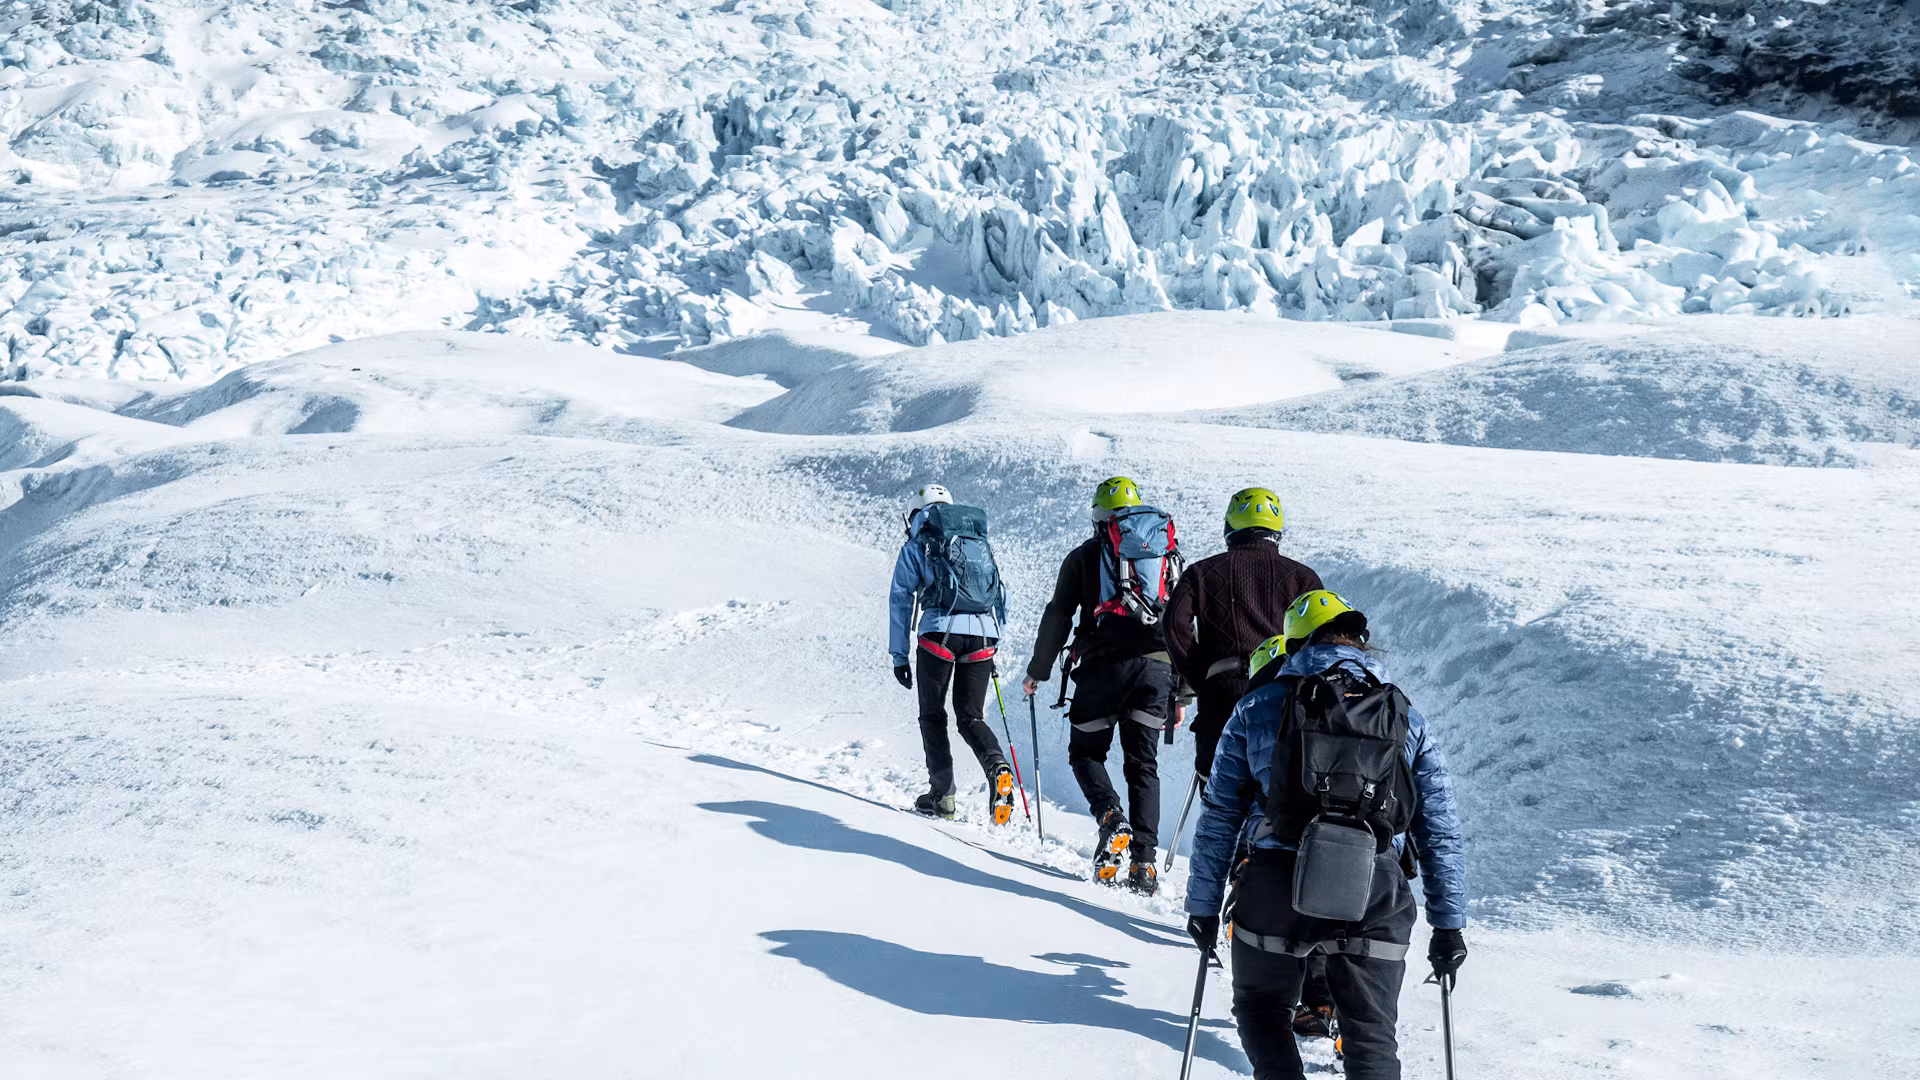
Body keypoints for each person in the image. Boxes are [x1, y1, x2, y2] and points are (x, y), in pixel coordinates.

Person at [1182, 591, 1468, 1080]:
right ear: (1359, 644)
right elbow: (1439, 828)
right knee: (1371, 1034)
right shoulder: (1405, 717)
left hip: (1273, 886)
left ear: (1294, 647)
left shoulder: (1255, 708)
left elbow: (1219, 818)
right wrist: (1448, 924)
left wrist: (1203, 907)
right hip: (1374, 891)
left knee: (1261, 1010)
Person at [1021, 476, 1187, 895]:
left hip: (1102, 667)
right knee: (1142, 765)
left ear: (1099, 519)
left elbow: (1059, 615)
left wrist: (1038, 671)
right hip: (1157, 670)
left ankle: (1111, 816)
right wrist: (1181, 691)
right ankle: (1144, 866)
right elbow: (1182, 623)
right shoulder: (1164, 557)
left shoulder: (1084, 556)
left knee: (1086, 751)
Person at [1164, 486, 1322, 779]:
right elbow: (1321, 639)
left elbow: (1174, 625)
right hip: (1284, 699)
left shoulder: (1200, 573)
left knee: (1219, 797)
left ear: (1229, 527)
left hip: (1221, 696)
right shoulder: (1303, 578)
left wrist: (1202, 677)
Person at [888, 484, 1015, 822]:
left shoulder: (918, 544)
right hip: (983, 636)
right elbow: (999, 593)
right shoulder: (975, 542)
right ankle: (998, 768)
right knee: (971, 716)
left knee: (933, 714)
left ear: (915, 515)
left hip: (939, 634)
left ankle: (942, 796)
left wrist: (899, 656)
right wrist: (993, 639)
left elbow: (901, 599)